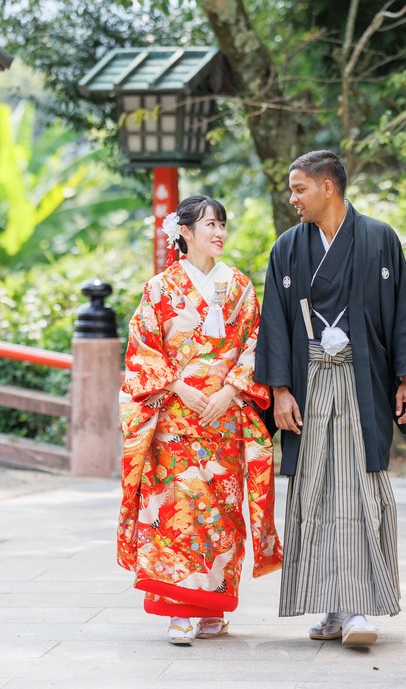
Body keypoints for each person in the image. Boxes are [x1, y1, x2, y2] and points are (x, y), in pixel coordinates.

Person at [255, 150, 406, 646]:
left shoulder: (379, 239)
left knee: (358, 487)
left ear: (328, 187)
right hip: (308, 383)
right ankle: (330, 607)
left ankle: (357, 609)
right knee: (313, 490)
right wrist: (281, 390)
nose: (293, 199)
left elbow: (403, 312)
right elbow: (275, 323)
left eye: (299, 189)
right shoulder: (288, 248)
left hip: (362, 380)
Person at [117, 195, 282, 646]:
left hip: (225, 417)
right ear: (185, 232)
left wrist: (229, 390)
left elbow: (256, 345)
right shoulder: (160, 288)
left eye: (222, 224)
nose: (219, 232)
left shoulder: (242, 287)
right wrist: (179, 387)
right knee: (177, 510)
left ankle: (213, 607)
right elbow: (143, 349)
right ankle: (180, 612)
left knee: (221, 514)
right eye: (209, 224)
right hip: (175, 419)